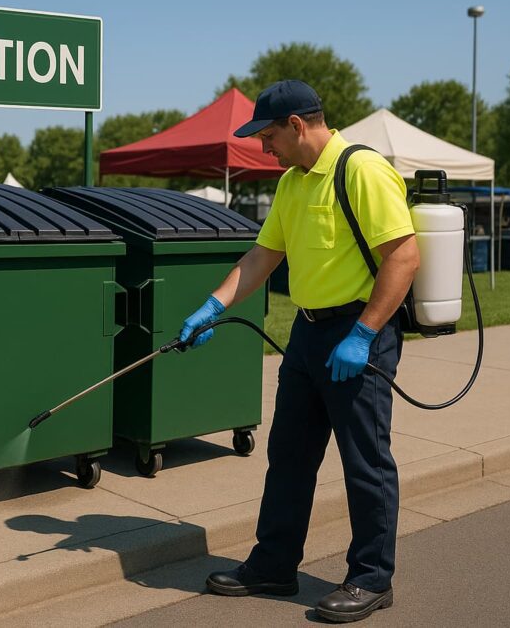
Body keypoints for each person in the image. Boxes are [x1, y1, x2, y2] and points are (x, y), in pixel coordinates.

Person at [179, 80, 419, 623]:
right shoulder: (292, 183)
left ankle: (371, 577)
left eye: (267, 136)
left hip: (361, 333)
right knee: (288, 454)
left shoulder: (359, 170)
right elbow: (263, 256)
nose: (264, 148)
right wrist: (212, 306)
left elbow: (403, 258)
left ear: (297, 125)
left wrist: (362, 335)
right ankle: (274, 565)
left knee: (365, 463)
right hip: (309, 336)